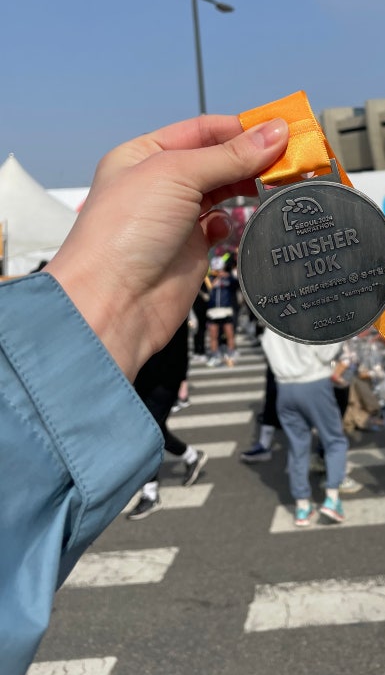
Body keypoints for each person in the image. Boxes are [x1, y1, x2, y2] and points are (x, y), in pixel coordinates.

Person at [0, 111, 290, 674]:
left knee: (156, 428)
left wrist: (114, 304)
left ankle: (167, 469)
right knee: (156, 430)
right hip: (109, 388)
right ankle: (169, 469)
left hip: (116, 383)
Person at [259, 327, 349, 526]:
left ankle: (302, 506)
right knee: (334, 440)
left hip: (284, 388)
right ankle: (332, 499)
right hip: (314, 382)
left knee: (297, 446)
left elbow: (267, 349)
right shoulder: (310, 317)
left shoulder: (271, 322)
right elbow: (326, 352)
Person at [127, 319, 208, 519]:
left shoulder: (171, 306)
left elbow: (180, 344)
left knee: (147, 433)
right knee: (157, 430)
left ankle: (150, 493)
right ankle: (191, 456)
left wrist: (181, 380)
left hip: (166, 378)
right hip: (144, 375)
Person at [205, 256, 241, 367]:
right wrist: (215, 278)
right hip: (213, 310)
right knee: (213, 335)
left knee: (230, 334)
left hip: (226, 309)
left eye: (219, 268)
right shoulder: (209, 279)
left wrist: (229, 276)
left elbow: (237, 285)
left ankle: (231, 355)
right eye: (216, 269)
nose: (218, 271)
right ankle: (215, 356)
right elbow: (207, 289)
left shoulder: (228, 278)